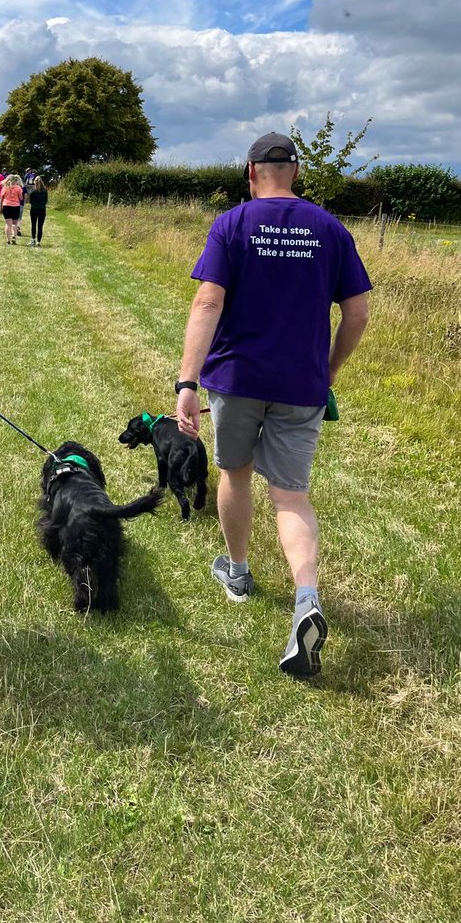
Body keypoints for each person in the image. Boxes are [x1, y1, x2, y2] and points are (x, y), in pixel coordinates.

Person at [175, 132, 371, 678]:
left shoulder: (232, 225)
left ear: (251, 172)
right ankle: (306, 600)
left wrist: (186, 381)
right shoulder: (331, 230)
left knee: (234, 473)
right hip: (300, 385)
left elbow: (208, 300)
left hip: (237, 378)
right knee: (291, 497)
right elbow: (357, 316)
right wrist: (325, 375)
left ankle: (238, 572)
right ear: (296, 173)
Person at [0, 174, 24, 244]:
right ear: (15, 180)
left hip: (6, 206)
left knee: (8, 224)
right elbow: (21, 198)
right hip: (16, 206)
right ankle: (13, 236)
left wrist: (0, 208)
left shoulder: (4, 188)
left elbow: (1, 198)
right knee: (15, 223)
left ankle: (8, 239)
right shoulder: (18, 188)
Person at [28, 176, 48, 246]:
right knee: (40, 226)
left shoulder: (33, 190)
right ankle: (38, 241)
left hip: (34, 209)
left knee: (33, 225)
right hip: (42, 209)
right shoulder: (45, 190)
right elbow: (46, 200)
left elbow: (30, 201)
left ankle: (33, 239)